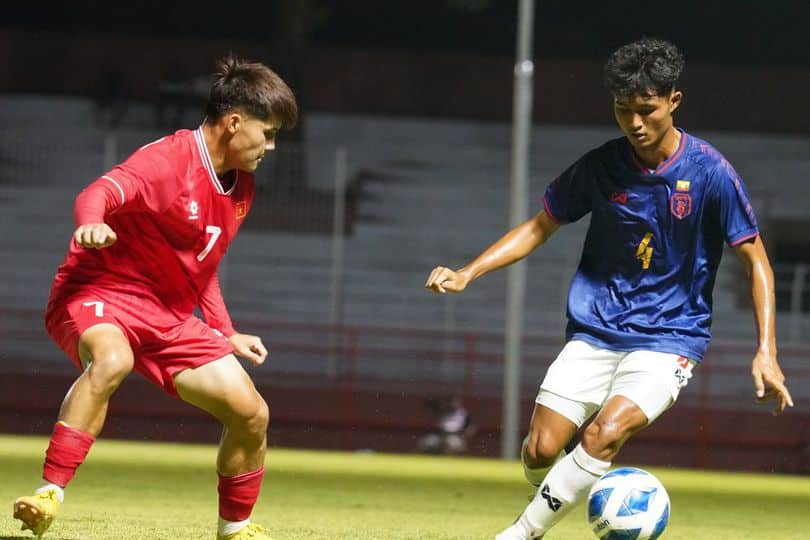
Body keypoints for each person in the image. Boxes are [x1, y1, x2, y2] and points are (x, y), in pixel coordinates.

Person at [425, 38, 793, 540]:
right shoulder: (603, 165)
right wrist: (469, 272)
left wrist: (766, 350)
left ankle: (520, 533)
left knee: (605, 433)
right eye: (623, 110)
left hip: (669, 338)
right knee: (539, 450)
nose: (634, 123)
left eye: (646, 110)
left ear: (674, 101)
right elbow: (540, 226)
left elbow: (757, 261)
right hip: (595, 331)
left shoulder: (711, 173)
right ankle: (562, 493)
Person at [13, 55, 297, 540]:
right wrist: (90, 224)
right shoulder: (167, 161)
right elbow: (97, 192)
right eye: (267, 133)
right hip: (100, 290)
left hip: (167, 316)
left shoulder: (241, 187)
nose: (271, 146)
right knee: (113, 360)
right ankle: (48, 494)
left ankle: (235, 528)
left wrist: (225, 331)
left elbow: (202, 265)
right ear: (234, 122)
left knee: (251, 413)